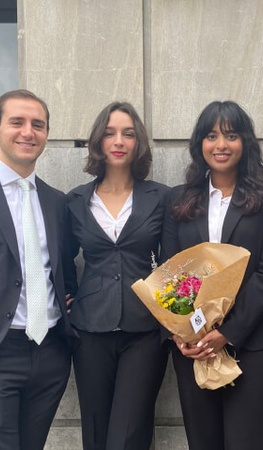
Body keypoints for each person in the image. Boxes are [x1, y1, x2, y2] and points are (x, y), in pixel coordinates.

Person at [161, 100, 263, 450]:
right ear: (199, 143)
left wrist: (227, 333)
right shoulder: (179, 200)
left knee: (245, 441)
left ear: (244, 142)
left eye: (231, 135)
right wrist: (181, 333)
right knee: (203, 442)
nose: (220, 145)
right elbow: (170, 273)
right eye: (212, 135)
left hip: (253, 342)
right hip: (193, 346)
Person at [65, 101, 169, 450]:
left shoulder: (160, 198)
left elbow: (172, 262)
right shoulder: (76, 201)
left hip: (145, 331)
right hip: (89, 329)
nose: (118, 140)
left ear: (138, 142)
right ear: (98, 142)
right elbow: (64, 258)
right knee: (95, 431)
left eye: (127, 133)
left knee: (128, 434)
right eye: (109, 133)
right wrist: (69, 293)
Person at [0, 89, 75, 450]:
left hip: (50, 355)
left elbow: (63, 270)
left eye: (38, 125)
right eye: (17, 122)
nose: (28, 132)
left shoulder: (57, 201)